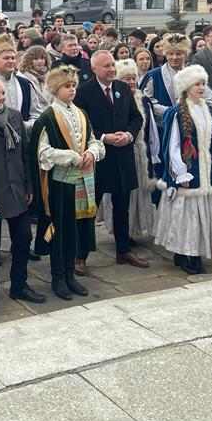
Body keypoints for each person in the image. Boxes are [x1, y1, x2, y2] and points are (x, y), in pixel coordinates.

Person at [28, 65, 104, 300]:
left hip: (81, 181)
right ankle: (58, 277)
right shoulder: (48, 117)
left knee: (75, 230)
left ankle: (71, 274)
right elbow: (42, 153)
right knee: (59, 230)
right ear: (55, 89)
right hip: (59, 183)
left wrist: (92, 152)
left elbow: (93, 139)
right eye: (66, 86)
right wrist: (70, 157)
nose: (71, 90)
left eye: (73, 86)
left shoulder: (80, 113)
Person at [0, 77, 45, 304]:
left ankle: (19, 284)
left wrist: (29, 185)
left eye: (2, 93)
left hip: (17, 188)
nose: (0, 98)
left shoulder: (14, 116)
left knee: (23, 237)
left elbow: (25, 154)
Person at [74, 51, 146, 271]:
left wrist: (129, 135)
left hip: (122, 156)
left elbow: (136, 117)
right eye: (106, 66)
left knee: (122, 206)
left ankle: (123, 250)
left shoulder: (123, 89)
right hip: (97, 158)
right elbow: (80, 123)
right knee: (89, 208)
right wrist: (104, 137)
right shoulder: (84, 92)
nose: (111, 70)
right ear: (94, 69)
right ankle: (80, 255)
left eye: (112, 65)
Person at [154, 65, 212, 275]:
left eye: (203, 83)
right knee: (187, 217)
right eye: (197, 84)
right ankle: (188, 255)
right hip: (190, 173)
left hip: (206, 171)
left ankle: (190, 253)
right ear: (186, 87)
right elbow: (172, 146)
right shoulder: (176, 112)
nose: (202, 87)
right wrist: (180, 172)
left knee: (201, 214)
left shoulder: (207, 109)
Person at [113, 59, 162, 239]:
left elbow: (152, 130)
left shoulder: (143, 99)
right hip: (124, 151)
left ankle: (137, 227)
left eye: (133, 78)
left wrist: (154, 154)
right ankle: (125, 232)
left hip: (142, 152)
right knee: (126, 194)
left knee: (141, 192)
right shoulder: (116, 99)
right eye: (127, 79)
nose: (131, 82)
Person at [141, 32, 190, 127]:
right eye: (170, 54)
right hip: (162, 127)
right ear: (165, 54)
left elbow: (209, 98)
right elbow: (146, 101)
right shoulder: (154, 75)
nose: (174, 57)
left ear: (185, 54)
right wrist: (170, 111)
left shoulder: (193, 74)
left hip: (187, 127)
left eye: (178, 54)